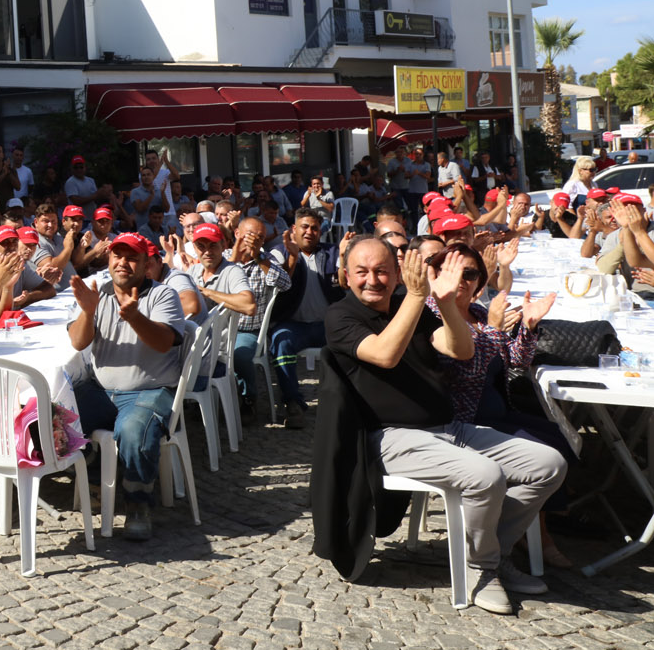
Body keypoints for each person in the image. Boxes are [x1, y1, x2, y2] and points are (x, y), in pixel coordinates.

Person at [324, 240, 567, 614]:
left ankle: (492, 554)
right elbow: (386, 354)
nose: (373, 280)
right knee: (484, 475)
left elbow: (461, 350)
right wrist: (419, 295)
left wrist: (450, 304)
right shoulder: (342, 316)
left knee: (548, 463)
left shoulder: (418, 309)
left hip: (447, 427)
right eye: (362, 272)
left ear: (398, 271)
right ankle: (482, 571)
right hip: (390, 437)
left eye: (382, 270)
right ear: (345, 275)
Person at [67, 233, 187, 540]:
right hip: (100, 389)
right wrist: (88, 311)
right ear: (108, 258)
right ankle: (92, 476)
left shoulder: (163, 295)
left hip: (149, 390)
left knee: (133, 432)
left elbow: (163, 343)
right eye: (117, 255)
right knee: (57, 416)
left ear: (147, 264)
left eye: (132, 257)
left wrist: (134, 317)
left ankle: (137, 503)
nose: (123, 262)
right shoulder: (96, 290)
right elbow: (78, 341)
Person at [265, 208, 342, 428]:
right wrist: (292, 258)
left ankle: (346, 401)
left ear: (320, 232)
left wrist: (345, 256)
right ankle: (293, 403)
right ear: (294, 229)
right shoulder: (279, 252)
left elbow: (346, 281)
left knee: (353, 341)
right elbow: (278, 282)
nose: (309, 232)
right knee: (280, 342)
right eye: (304, 227)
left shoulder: (333, 252)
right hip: (293, 325)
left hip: (326, 325)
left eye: (315, 228)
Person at [226, 217, 290, 422]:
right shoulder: (224, 256)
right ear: (237, 234)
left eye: (260, 237)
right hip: (219, 329)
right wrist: (234, 260)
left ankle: (248, 399)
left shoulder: (267, 259)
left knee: (239, 354)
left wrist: (259, 259)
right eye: (250, 235)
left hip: (248, 331)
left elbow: (286, 283)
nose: (254, 241)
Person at [0, 225, 56, 307]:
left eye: (14, 241)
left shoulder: (19, 264)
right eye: (5, 242)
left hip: (15, 317)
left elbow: (49, 289)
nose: (11, 246)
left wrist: (28, 297)